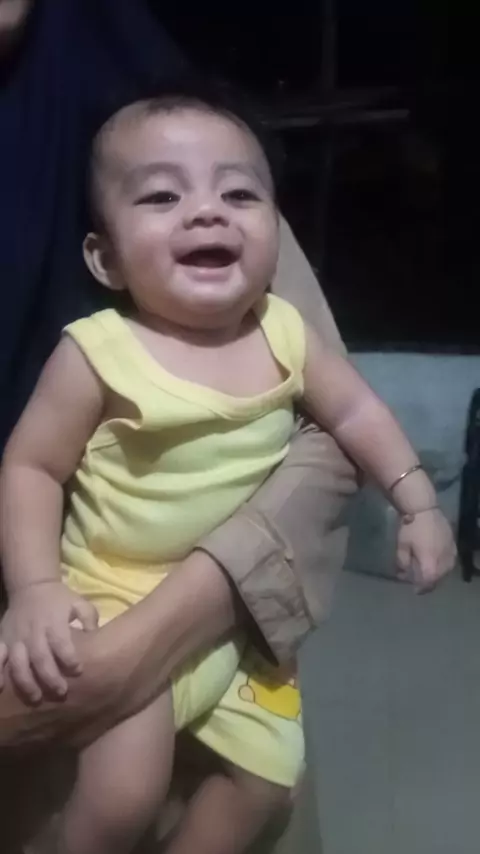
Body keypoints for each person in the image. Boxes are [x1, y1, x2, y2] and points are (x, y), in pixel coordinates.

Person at [0, 84, 455, 854]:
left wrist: (418, 505)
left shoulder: (284, 332)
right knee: (124, 796)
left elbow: (356, 415)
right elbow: (32, 468)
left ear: (276, 231)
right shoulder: (98, 352)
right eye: (162, 196)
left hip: (235, 623)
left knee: (266, 786)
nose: (208, 211)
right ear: (105, 258)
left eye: (240, 194)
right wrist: (36, 590)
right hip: (112, 595)